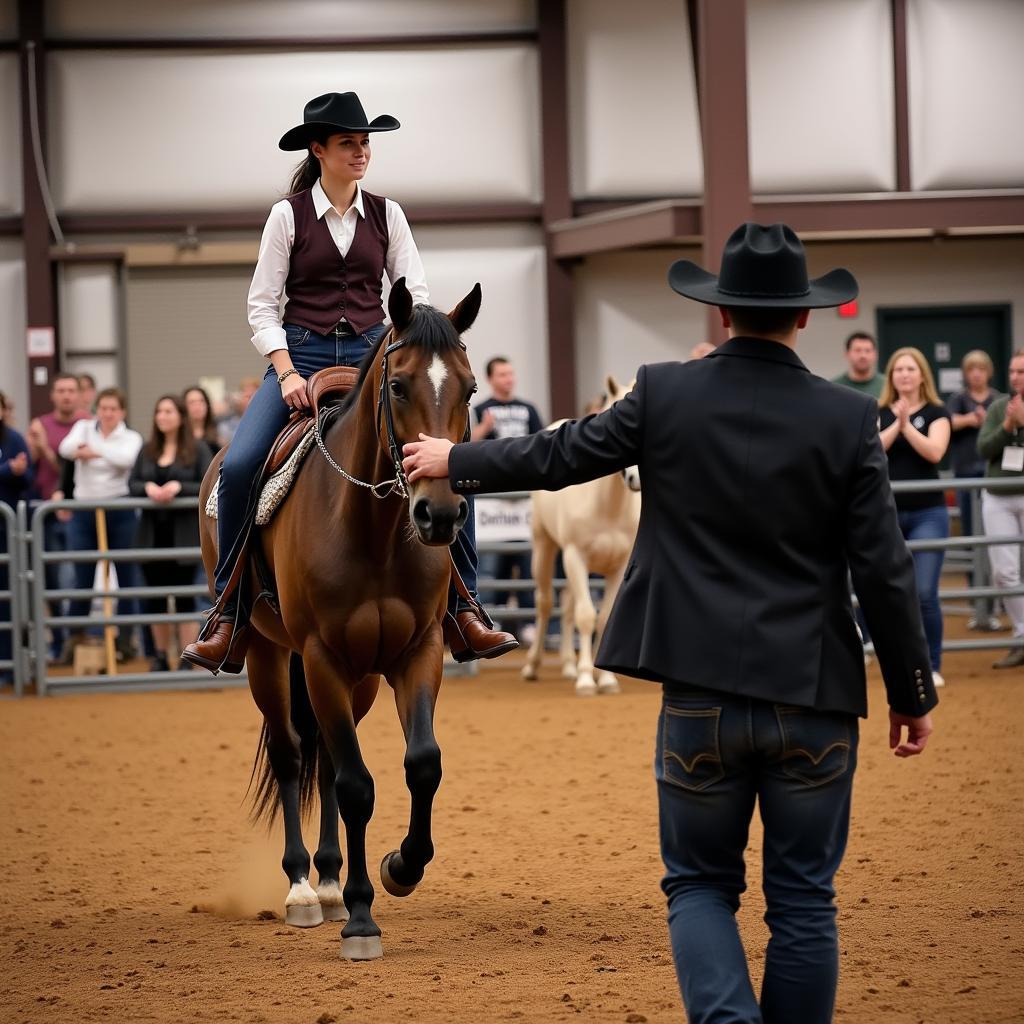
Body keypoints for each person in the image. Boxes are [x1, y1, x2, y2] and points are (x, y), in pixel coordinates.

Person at [404, 222, 936, 1024]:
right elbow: (886, 572)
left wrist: (456, 463)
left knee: (699, 888)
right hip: (816, 694)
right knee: (803, 903)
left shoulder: (662, 391)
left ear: (721, 315)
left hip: (699, 696)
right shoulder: (848, 419)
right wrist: (911, 690)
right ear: (804, 317)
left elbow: (559, 455)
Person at [183, 91, 515, 673]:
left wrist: (409, 352)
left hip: (374, 359)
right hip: (302, 358)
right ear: (319, 150)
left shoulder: (390, 215)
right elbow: (262, 306)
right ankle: (228, 618)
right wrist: (285, 372)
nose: (360, 152)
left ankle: (467, 610)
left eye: (365, 143)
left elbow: (416, 299)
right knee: (237, 468)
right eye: (348, 143)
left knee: (444, 461)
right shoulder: (287, 216)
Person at [878, 348, 952, 687]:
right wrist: (898, 423)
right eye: (898, 370)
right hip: (887, 514)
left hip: (928, 513)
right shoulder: (878, 412)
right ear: (891, 377)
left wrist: (907, 426)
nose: (904, 375)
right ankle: (894, 660)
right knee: (886, 593)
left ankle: (932, 664)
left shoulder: (938, 412)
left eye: (910, 369)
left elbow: (935, 452)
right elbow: (873, 449)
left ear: (922, 375)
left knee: (923, 591)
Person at [58, 387, 144, 661]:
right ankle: (73, 639)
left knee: (126, 576)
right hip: (83, 511)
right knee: (82, 576)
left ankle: (125, 641)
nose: (107, 413)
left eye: (113, 409)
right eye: (103, 408)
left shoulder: (131, 437)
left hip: (119, 509)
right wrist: (99, 452)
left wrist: (94, 450)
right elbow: (65, 448)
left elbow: (127, 459)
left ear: (122, 412)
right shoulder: (82, 427)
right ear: (97, 409)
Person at [129, 395, 213, 671]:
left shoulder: (197, 449)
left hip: (185, 535)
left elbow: (209, 481)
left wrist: (180, 487)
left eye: (168, 411)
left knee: (185, 596)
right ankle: (159, 656)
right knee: (156, 598)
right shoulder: (148, 449)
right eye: (158, 411)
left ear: (180, 416)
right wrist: (148, 489)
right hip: (152, 535)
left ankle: (186, 658)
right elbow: (133, 482)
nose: (162, 416)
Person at [472, 357, 544, 642]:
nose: (508, 379)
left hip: (524, 498)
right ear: (490, 379)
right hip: (493, 500)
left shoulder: (528, 409)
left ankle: (528, 621)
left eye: (511, 374)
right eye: (502, 374)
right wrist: (482, 428)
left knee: (527, 560)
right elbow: (466, 447)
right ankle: (491, 620)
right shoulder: (479, 409)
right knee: (491, 563)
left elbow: (541, 442)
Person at [26, 373, 88, 661]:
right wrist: (33, 449)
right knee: (50, 579)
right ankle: (57, 641)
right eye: (60, 390)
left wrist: (46, 450)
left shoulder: (87, 424)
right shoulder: (40, 425)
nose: (65, 395)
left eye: (70, 390)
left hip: (76, 510)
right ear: (53, 395)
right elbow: (29, 467)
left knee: (76, 577)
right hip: (46, 514)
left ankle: (75, 638)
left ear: (79, 394)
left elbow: (64, 463)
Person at [976, 350, 1024, 669]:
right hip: (998, 495)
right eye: (1012, 371)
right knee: (1004, 572)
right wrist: (1008, 424)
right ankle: (1022, 636)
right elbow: (984, 449)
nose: (1016, 377)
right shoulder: (997, 407)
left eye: (1022, 371)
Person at [946, 350, 1000, 538]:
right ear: (965, 373)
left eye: (981, 369)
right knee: (968, 523)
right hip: (965, 469)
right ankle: (971, 567)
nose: (977, 374)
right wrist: (969, 419)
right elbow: (947, 422)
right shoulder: (958, 398)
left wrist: (988, 421)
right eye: (972, 369)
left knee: (995, 523)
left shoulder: (997, 399)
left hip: (993, 471)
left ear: (989, 372)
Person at [0, 393, 32, 684]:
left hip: (6, 531)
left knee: (10, 601)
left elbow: (28, 478)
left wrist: (19, 473)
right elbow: (15, 471)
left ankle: (11, 668)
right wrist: (8, 470)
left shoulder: (14, 439)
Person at [831, 330, 882, 400]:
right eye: (857, 350)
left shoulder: (888, 386)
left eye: (868, 351)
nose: (863, 355)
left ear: (875, 355)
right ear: (847, 354)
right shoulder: (834, 387)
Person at [216, 377, 260, 448]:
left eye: (253, 396)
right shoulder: (227, 425)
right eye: (247, 397)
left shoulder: (265, 421)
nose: (250, 401)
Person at [183, 385, 222, 455]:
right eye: (192, 402)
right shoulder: (179, 435)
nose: (197, 405)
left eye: (201, 401)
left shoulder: (220, 431)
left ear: (207, 405)